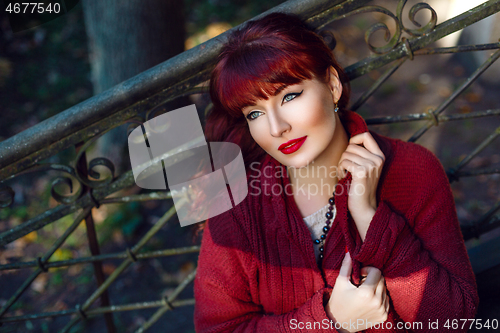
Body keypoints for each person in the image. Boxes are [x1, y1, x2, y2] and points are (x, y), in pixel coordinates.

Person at [193, 12, 478, 333]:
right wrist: (329, 321)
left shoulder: (413, 169)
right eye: (255, 112)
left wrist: (371, 220)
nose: (276, 128)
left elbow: (453, 320)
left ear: (331, 85)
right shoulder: (237, 204)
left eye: (289, 95)